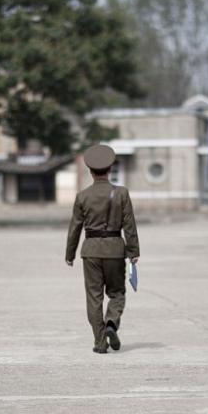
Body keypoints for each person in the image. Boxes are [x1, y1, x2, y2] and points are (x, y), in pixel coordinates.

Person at [65, 145, 140, 354]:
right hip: (116, 250)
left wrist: (69, 254)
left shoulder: (82, 196)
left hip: (90, 251)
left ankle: (100, 342)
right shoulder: (122, 193)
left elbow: (75, 228)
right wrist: (133, 252)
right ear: (110, 169)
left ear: (90, 170)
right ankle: (111, 323)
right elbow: (129, 225)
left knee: (94, 297)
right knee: (117, 293)